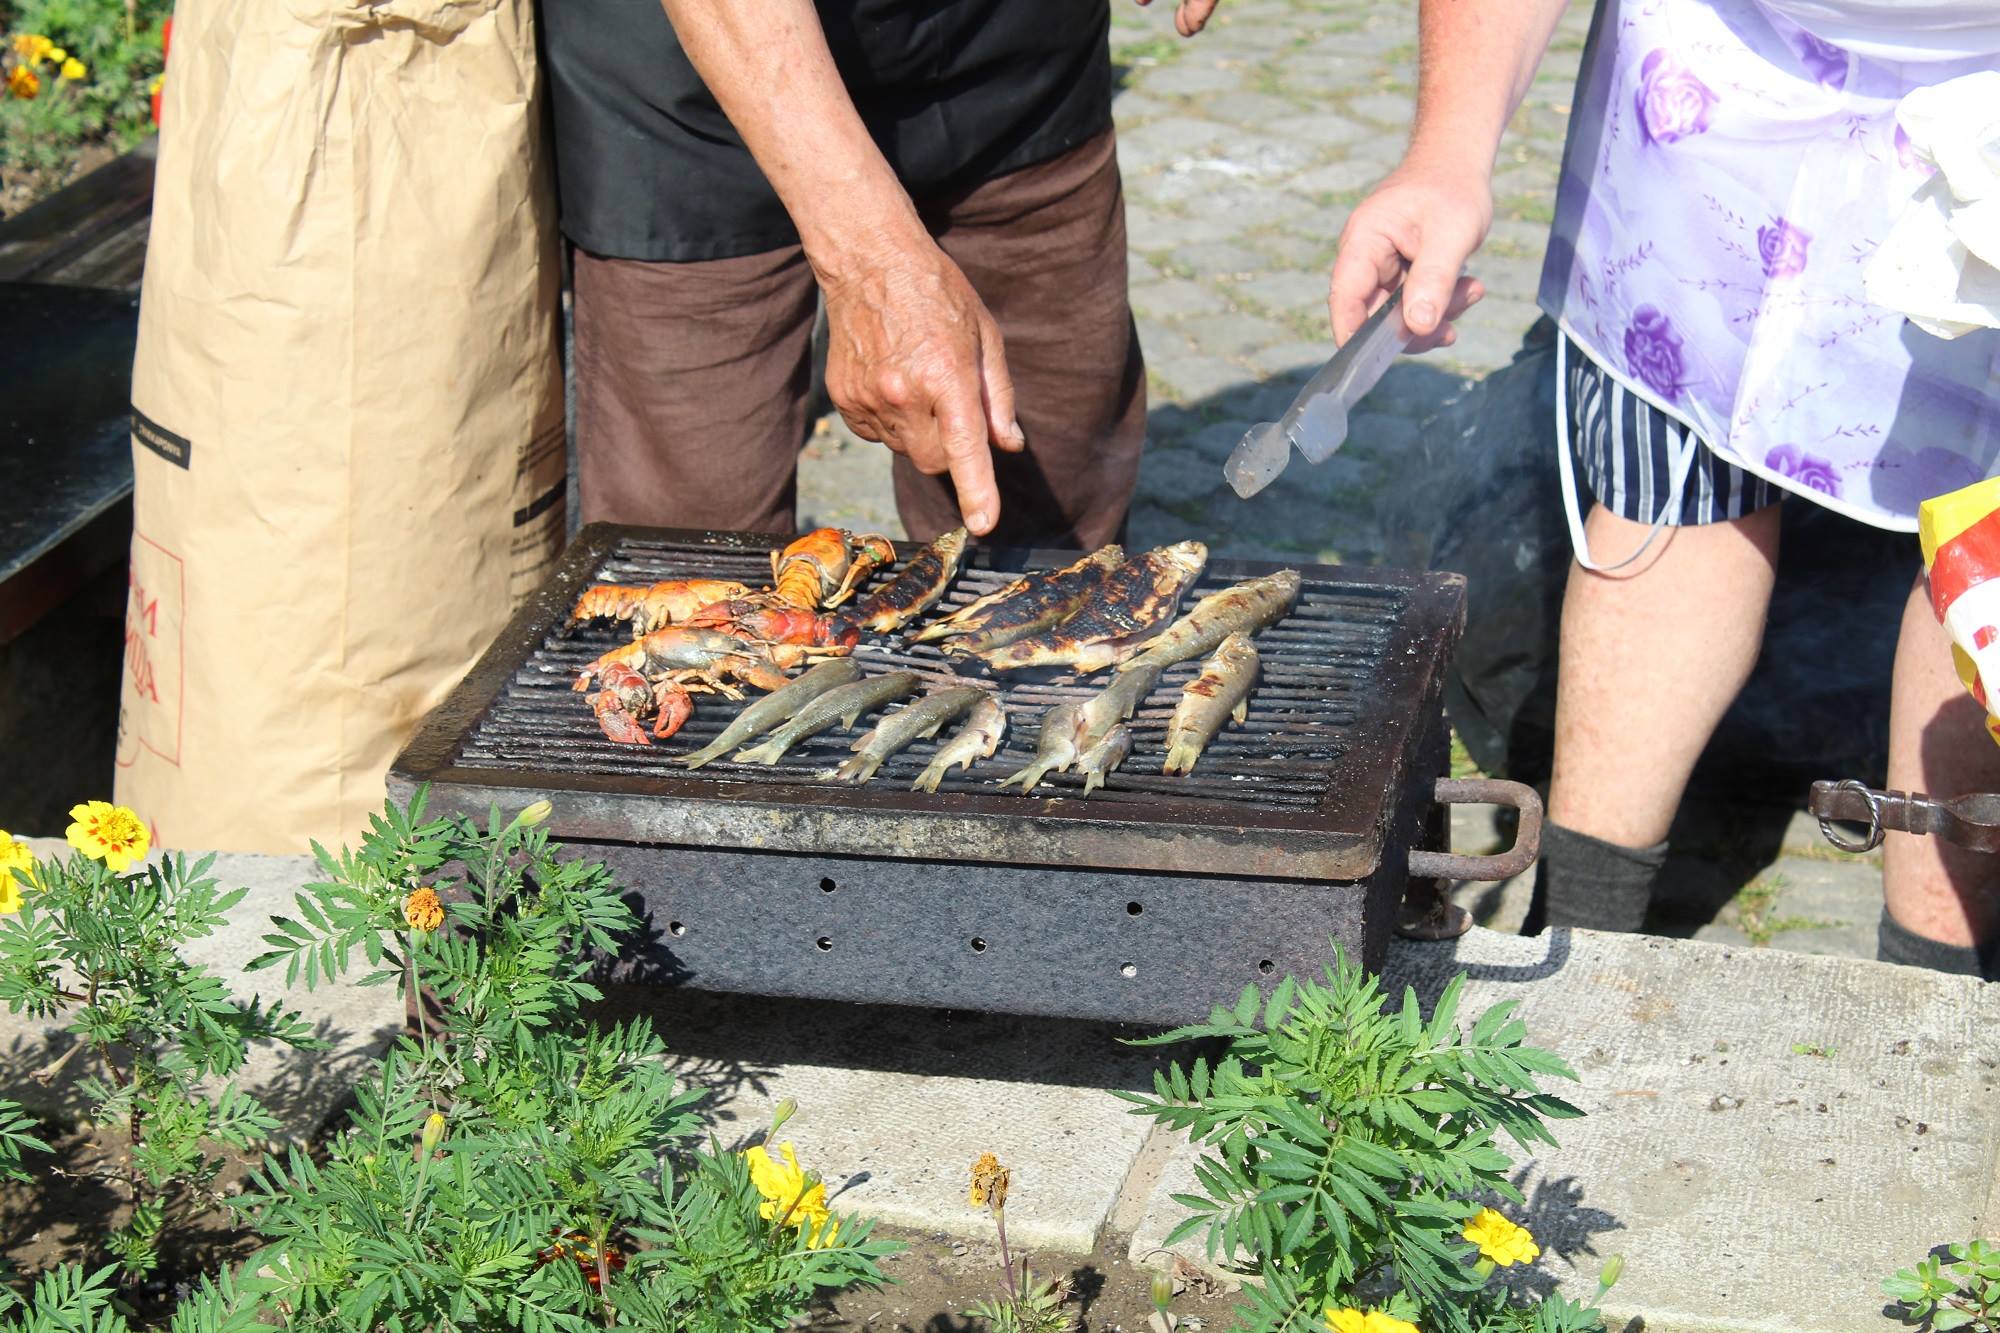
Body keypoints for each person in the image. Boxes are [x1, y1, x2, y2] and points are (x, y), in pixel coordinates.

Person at [1330, 0, 2000, 973]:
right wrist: (1445, 151)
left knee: (1983, 530)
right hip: (1717, 75)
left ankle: (1937, 996)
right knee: (1668, 477)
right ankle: (1574, 944)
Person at [542, 0, 1219, 550]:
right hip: (693, 81)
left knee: (1053, 529)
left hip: (1017, 57)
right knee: (688, 558)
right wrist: (871, 262)